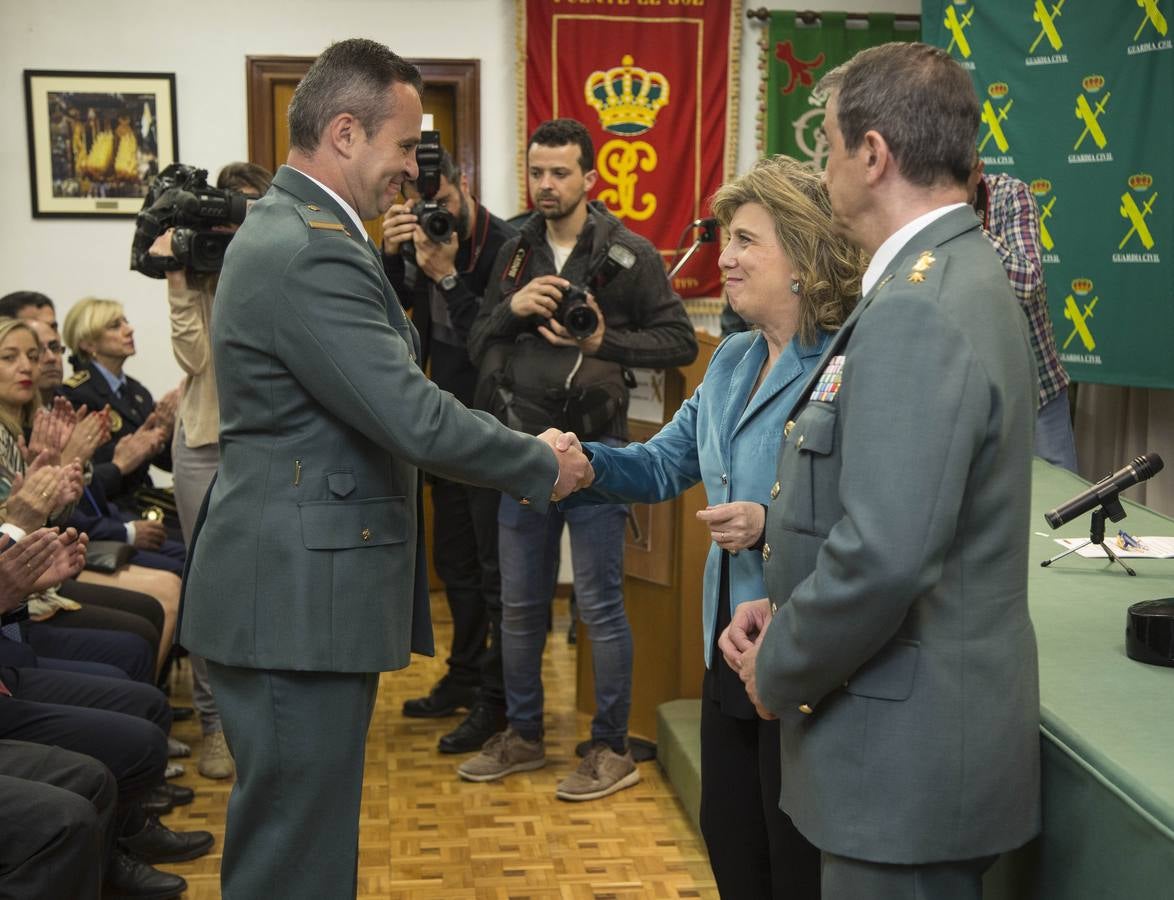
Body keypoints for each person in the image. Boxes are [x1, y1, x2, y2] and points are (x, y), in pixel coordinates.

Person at [178, 38, 590, 900]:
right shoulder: (311, 246)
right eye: (403, 147)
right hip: (293, 597)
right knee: (296, 853)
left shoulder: (305, 229)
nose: (414, 170)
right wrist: (534, 461)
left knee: (296, 837)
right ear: (343, 133)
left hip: (291, 586)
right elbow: (408, 410)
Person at [721, 42, 1041, 900]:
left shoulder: (919, 307)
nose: (823, 169)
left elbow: (885, 554)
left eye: (827, 146)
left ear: (873, 154)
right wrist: (785, 592)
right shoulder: (948, 277)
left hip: (903, 763)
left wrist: (779, 659)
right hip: (920, 743)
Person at [563, 155, 862, 894]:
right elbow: (665, 464)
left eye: (745, 240)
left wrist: (771, 523)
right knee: (735, 852)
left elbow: (867, 510)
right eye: (725, 239)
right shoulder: (729, 359)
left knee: (794, 867)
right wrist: (585, 466)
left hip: (802, 651)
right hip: (724, 649)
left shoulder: (849, 363)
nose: (722, 257)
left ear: (803, 255)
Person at [460, 118, 698, 800]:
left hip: (601, 455)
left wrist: (603, 344)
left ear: (589, 178)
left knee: (598, 606)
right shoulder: (511, 248)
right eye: (537, 171)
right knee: (521, 606)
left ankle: (611, 747)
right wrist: (510, 306)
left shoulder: (628, 252)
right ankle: (524, 735)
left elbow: (679, 341)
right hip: (524, 451)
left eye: (560, 172)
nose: (546, 185)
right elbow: (475, 338)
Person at [381, 148, 518, 752]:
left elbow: (490, 342)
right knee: (455, 563)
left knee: (495, 574)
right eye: (422, 209)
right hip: (437, 424)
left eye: (445, 206)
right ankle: (462, 676)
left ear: (465, 187)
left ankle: (498, 698)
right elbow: (390, 324)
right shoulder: (412, 238)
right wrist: (390, 257)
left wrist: (447, 273)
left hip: (491, 426)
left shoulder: (506, 247)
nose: (437, 218)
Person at [145, 159, 274, 780]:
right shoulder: (199, 272)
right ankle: (216, 723)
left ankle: (269, 716)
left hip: (270, 444)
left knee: (269, 582)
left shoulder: (281, 266)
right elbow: (196, 357)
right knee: (209, 588)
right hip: (203, 443)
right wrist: (178, 275)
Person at [969, 160, 1077, 472]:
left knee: (1064, 503)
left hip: (1038, 392)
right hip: (976, 396)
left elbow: (1027, 282)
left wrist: (960, 223)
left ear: (978, 168)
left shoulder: (1009, 194)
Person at [58, 297, 176, 508]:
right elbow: (84, 466)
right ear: (88, 343)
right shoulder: (76, 395)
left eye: (125, 322)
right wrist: (132, 450)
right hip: (108, 506)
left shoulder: (138, 392)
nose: (129, 329)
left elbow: (167, 464)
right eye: (115, 326)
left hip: (142, 499)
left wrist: (164, 436)